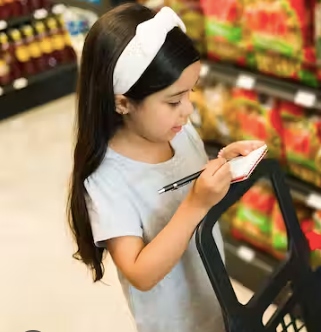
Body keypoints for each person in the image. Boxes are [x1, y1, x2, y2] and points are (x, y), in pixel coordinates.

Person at [67, 4, 263, 332]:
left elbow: (194, 182)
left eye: (191, 92)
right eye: (174, 101)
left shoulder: (180, 132)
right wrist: (196, 203)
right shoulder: (107, 179)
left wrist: (224, 164)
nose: (188, 109)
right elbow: (140, 273)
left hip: (216, 299)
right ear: (123, 102)